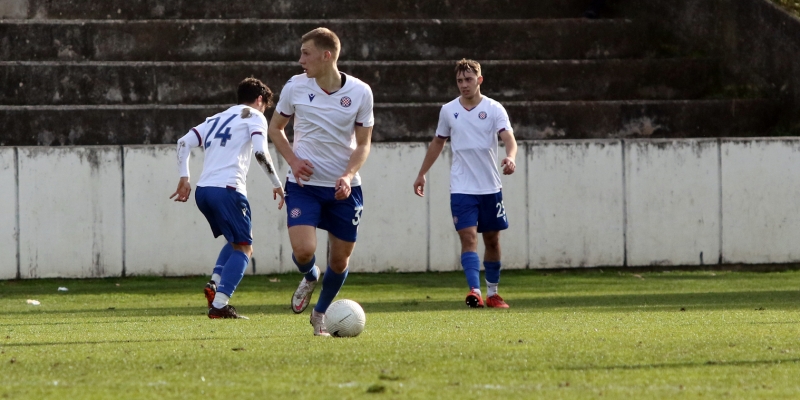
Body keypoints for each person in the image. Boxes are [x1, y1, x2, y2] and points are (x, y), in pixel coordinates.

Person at [267, 28, 374, 336]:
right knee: (303, 251)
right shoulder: (295, 87)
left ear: (326, 56)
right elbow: (276, 128)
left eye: (306, 54)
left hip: (344, 190)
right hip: (304, 187)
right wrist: (294, 161)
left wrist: (348, 175)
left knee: (339, 262)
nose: (301, 60)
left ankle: (320, 314)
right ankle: (310, 274)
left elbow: (364, 143)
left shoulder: (360, 92)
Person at [170, 77, 285, 319]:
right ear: (260, 100)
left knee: (234, 243)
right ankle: (220, 305)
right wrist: (277, 183)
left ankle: (214, 284)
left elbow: (183, 142)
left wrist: (184, 177)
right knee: (245, 248)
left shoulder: (215, 118)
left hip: (203, 191)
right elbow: (260, 152)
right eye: (265, 106)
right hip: (228, 189)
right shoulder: (254, 116)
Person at [413, 59, 518, 309]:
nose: (463, 85)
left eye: (468, 79)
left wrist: (511, 158)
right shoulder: (449, 110)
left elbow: (508, 138)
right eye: (459, 81)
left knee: (492, 240)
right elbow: (438, 142)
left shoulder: (494, 109)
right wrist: (422, 173)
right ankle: (475, 291)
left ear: (479, 80)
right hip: (461, 187)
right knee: (469, 237)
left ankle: (493, 293)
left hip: (490, 187)